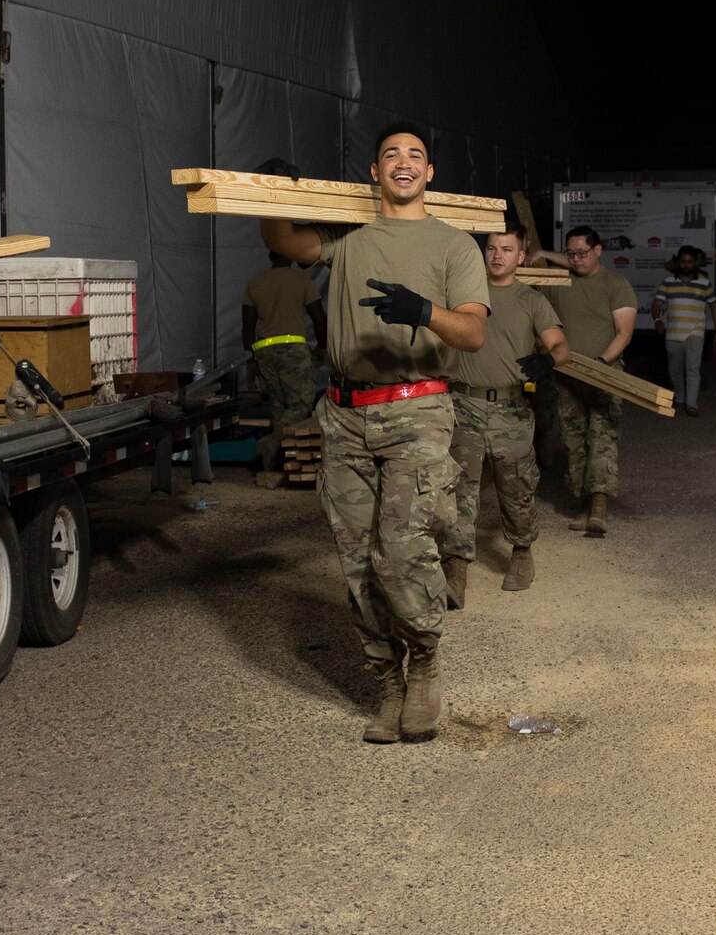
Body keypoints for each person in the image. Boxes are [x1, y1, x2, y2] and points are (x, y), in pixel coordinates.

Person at [260, 123, 489, 745]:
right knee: (356, 557)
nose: (404, 162)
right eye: (392, 154)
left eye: (416, 154)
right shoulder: (348, 233)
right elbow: (284, 237)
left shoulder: (455, 245)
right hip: (345, 412)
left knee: (402, 548)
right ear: (375, 172)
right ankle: (387, 679)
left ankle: (426, 661)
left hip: (417, 411)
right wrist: (271, 189)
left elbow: (472, 333)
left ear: (430, 173)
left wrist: (425, 312)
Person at [437, 226, 567, 604]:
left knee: (517, 487)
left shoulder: (531, 300)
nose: (497, 255)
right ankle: (455, 568)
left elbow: (561, 345)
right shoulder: (462, 296)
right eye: (492, 248)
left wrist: (548, 357)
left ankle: (522, 552)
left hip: (511, 408)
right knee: (458, 487)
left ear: (521, 256)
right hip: (464, 405)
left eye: (507, 249)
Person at [542, 226, 635, 535]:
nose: (576, 259)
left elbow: (624, 332)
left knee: (602, 438)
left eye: (582, 253)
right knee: (573, 440)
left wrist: (601, 364)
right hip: (567, 374)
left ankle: (598, 507)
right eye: (571, 254)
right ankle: (582, 502)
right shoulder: (558, 284)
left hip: (604, 373)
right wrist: (541, 254)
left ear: (598, 250)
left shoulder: (616, 285)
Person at [241, 223, 326, 475]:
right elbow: (319, 318)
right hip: (293, 350)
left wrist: (251, 359)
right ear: (290, 255)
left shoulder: (255, 283)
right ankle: (273, 443)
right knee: (301, 403)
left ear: (270, 255)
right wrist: (322, 348)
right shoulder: (301, 280)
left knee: (279, 405)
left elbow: (246, 326)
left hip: (264, 351)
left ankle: (278, 465)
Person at [652, 246, 716, 416]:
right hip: (673, 334)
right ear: (678, 262)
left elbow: (714, 306)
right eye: (683, 261)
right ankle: (681, 398)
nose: (686, 265)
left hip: (694, 333)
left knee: (692, 369)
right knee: (675, 370)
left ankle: (691, 404)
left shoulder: (704, 284)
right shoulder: (668, 282)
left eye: (690, 262)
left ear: (696, 263)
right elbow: (657, 305)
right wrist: (657, 319)